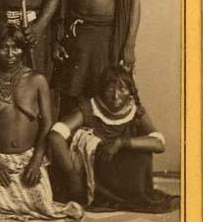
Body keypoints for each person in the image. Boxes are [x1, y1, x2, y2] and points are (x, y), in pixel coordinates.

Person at [0, 24, 83, 221]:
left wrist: (36, 161)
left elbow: (47, 123)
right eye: (4, 47)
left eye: (16, 47)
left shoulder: (37, 80)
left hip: (28, 158)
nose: (10, 53)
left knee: (42, 204)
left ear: (24, 50)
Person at [48, 65, 178, 213]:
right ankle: (105, 197)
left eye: (122, 89)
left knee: (142, 156)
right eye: (110, 89)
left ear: (130, 91)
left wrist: (121, 142)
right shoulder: (90, 108)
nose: (116, 96)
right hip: (95, 175)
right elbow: (55, 136)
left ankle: (128, 196)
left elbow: (159, 144)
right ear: (102, 89)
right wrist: (72, 175)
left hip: (120, 169)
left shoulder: (134, 109)